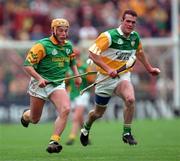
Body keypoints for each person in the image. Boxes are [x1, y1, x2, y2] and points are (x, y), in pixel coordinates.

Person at [80, 9, 160, 146]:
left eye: (133, 22)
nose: (130, 24)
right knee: (98, 114)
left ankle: (126, 133)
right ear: (121, 21)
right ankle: (86, 128)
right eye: (127, 21)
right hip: (104, 78)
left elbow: (139, 53)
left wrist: (150, 69)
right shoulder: (108, 36)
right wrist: (108, 69)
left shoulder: (135, 37)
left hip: (123, 75)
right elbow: (92, 54)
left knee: (130, 99)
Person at [20, 18, 82, 153]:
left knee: (65, 109)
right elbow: (27, 65)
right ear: (53, 30)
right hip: (39, 84)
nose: (64, 34)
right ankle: (26, 115)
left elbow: (72, 61)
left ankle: (54, 141)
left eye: (66, 31)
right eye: (60, 30)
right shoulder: (42, 45)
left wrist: (76, 76)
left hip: (57, 85)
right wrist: (39, 78)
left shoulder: (68, 46)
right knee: (35, 119)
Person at [65, 48, 95, 145]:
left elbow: (92, 80)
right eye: (73, 57)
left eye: (76, 57)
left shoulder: (85, 67)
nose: (75, 59)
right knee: (80, 118)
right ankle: (86, 136)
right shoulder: (68, 68)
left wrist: (84, 73)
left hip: (83, 94)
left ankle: (72, 137)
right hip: (72, 94)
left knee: (76, 117)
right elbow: (66, 82)